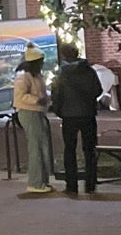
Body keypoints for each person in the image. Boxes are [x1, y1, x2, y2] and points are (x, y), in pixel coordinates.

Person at [50, 41, 103, 196]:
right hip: (88, 114)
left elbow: (56, 96)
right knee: (90, 150)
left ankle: (71, 185)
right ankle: (90, 184)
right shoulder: (89, 71)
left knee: (69, 150)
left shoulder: (61, 74)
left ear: (64, 55)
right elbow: (97, 90)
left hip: (69, 116)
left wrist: (60, 111)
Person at [12, 44, 54, 193]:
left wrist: (45, 99)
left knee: (42, 146)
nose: (43, 63)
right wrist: (38, 100)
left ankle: (42, 181)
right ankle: (35, 182)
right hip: (28, 112)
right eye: (41, 61)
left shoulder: (36, 75)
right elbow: (19, 97)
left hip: (37, 111)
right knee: (36, 147)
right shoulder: (23, 77)